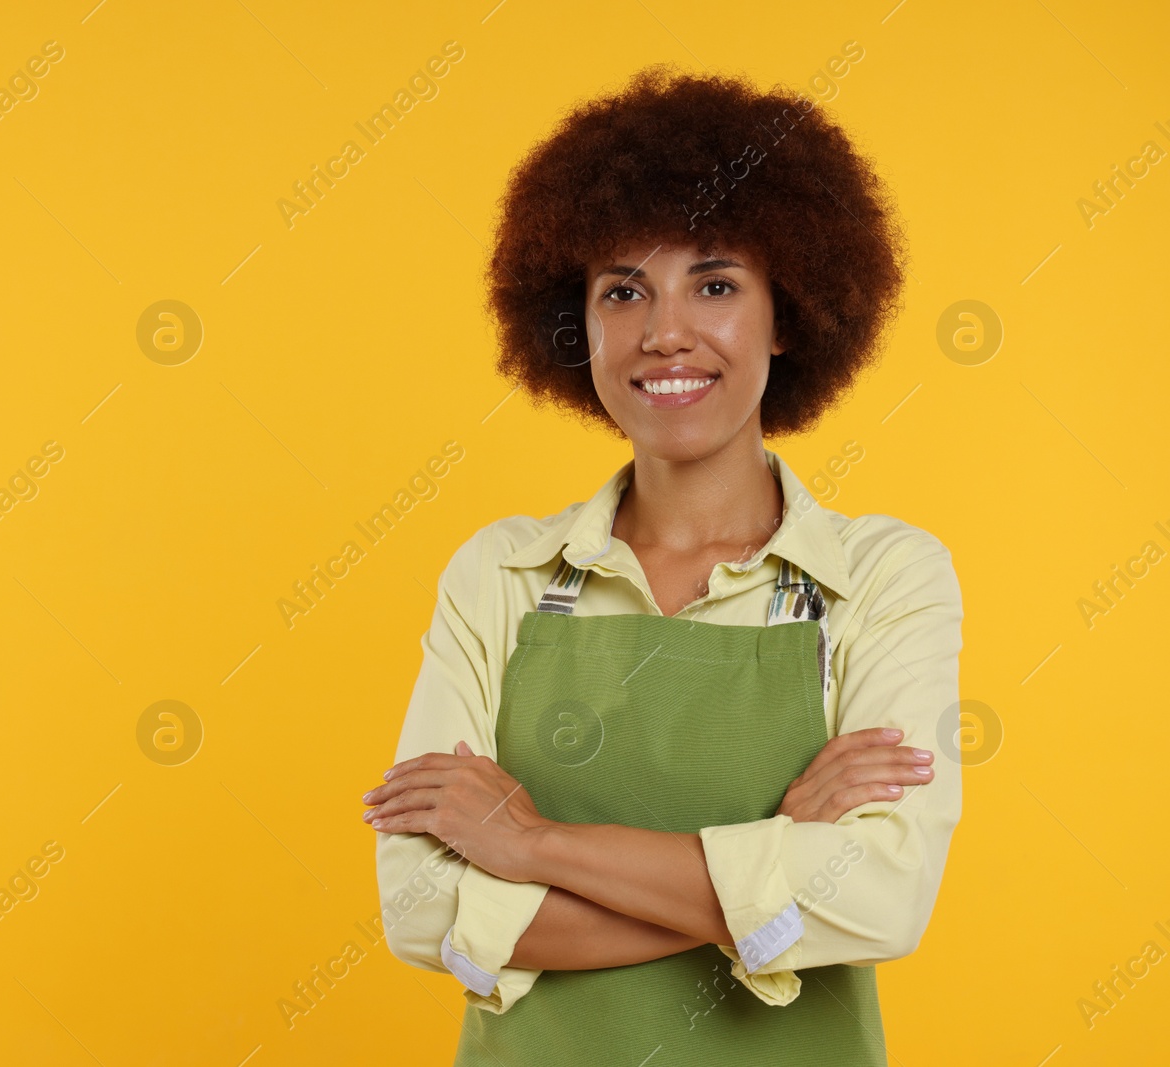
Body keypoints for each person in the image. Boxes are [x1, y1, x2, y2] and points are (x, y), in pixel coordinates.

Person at [362, 65, 964, 1065]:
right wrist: (772, 857)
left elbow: (881, 897)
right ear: (577, 321)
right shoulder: (500, 573)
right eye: (622, 290)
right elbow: (421, 907)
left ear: (788, 316)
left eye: (715, 283)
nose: (664, 331)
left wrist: (532, 847)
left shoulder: (884, 573)